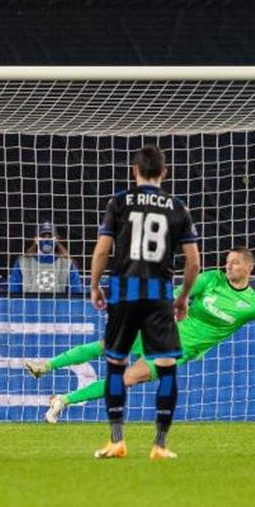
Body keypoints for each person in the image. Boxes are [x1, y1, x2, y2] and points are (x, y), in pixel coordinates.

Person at [27, 247, 255, 419]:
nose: (228, 267)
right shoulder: (211, 279)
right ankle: (45, 366)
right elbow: (177, 294)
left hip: (176, 350)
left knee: (125, 380)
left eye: (235, 263)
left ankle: (63, 400)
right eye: (227, 262)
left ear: (249, 268)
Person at [86, 145, 200, 459]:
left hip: (123, 295)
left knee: (115, 365)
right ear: (164, 172)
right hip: (159, 297)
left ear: (134, 171)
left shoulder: (119, 202)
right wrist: (183, 297)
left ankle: (116, 440)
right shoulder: (178, 207)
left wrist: (95, 286)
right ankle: (160, 445)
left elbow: (101, 250)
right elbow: (193, 263)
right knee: (166, 367)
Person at [8, 222, 84, 294]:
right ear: (36, 239)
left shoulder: (67, 263)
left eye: (50, 236)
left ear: (56, 239)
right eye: (43, 236)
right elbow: (13, 293)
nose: (46, 239)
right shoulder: (22, 262)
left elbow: (76, 294)